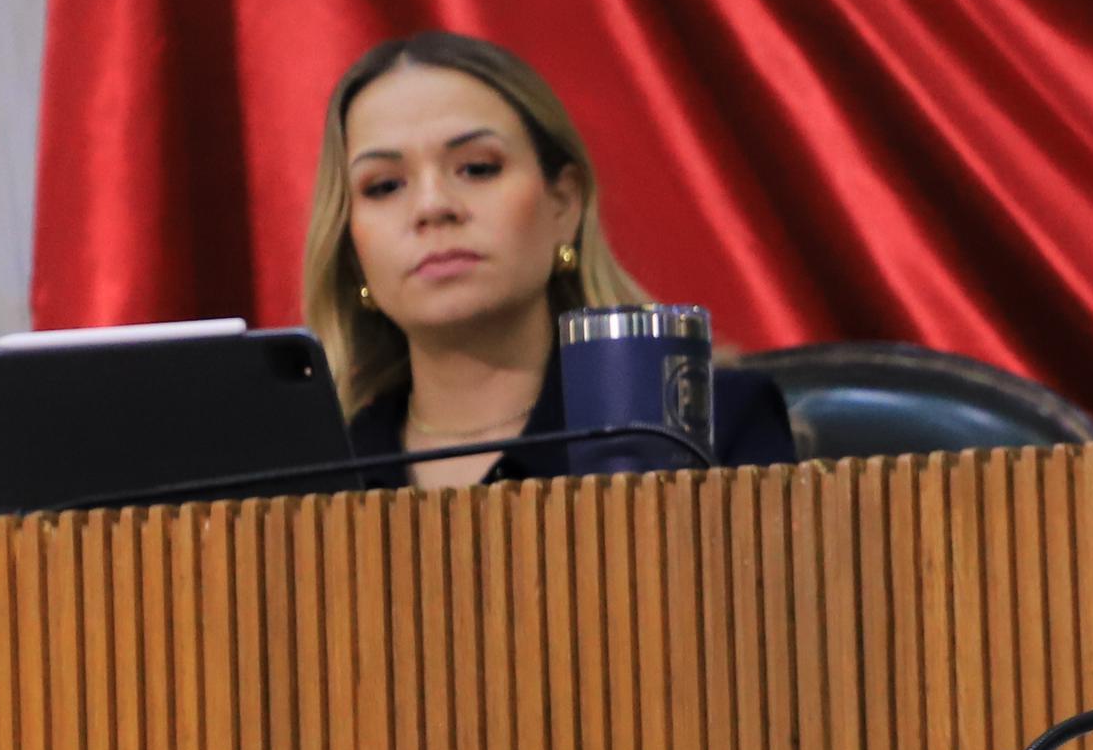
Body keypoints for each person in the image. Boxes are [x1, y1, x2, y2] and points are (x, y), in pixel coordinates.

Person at [299, 31, 793, 489]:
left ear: (564, 204)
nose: (432, 207)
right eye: (384, 186)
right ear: (350, 247)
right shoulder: (311, 478)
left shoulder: (699, 427)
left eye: (477, 168)